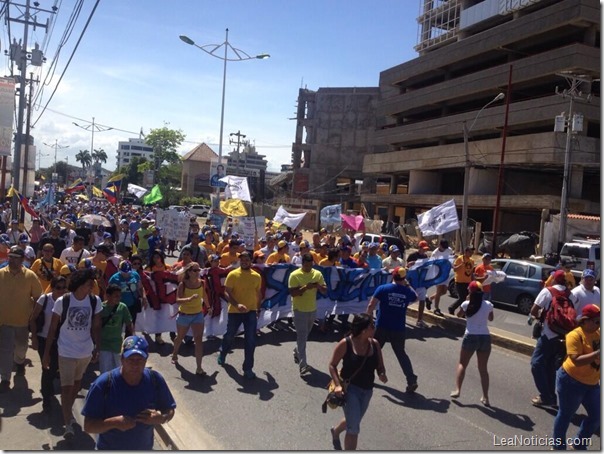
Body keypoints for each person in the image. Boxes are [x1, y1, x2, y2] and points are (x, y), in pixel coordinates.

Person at [81, 335, 176, 450]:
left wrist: (161, 418)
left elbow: (169, 409)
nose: (135, 365)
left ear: (146, 360)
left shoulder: (155, 380)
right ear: (122, 359)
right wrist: (114, 422)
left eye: (139, 360)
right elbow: (88, 426)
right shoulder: (104, 384)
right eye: (130, 359)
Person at [42, 268, 102, 439]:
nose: (92, 286)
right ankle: (68, 423)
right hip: (66, 350)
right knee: (66, 388)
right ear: (80, 284)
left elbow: (96, 326)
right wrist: (46, 354)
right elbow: (52, 328)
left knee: (76, 386)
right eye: (89, 283)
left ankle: (68, 413)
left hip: (85, 351)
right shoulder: (63, 301)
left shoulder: (95, 301)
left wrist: (98, 347)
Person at [328, 313, 387, 451]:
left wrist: (382, 374)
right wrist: (337, 385)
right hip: (350, 390)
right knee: (353, 428)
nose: (375, 327)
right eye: (372, 325)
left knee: (354, 421)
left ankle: (335, 431)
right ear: (363, 330)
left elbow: (380, 365)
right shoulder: (346, 343)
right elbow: (332, 365)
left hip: (367, 391)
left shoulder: (375, 344)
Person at [551, 304, 600, 450]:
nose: (599, 325)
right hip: (571, 381)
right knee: (566, 415)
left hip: (592, 383)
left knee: (597, 416)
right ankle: (558, 446)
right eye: (596, 321)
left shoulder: (598, 333)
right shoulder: (575, 335)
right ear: (585, 320)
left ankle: (579, 444)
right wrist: (598, 353)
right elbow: (576, 360)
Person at [529, 270, 578, 407]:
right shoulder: (571, 294)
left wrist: (543, 317)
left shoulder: (548, 291)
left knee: (536, 364)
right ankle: (551, 397)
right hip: (564, 335)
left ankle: (545, 396)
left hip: (548, 334)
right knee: (550, 366)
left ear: (554, 280)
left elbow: (533, 310)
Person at [366, 266, 419, 393]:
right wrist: (408, 285)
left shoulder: (383, 288)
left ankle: (366, 375)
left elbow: (370, 305)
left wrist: (367, 321)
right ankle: (411, 379)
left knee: (373, 351)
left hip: (382, 325)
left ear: (392, 276)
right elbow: (416, 297)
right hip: (398, 328)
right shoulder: (407, 291)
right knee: (401, 354)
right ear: (404, 278)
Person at [0, 246, 43, 392]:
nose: (12, 260)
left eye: (15, 258)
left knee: (21, 347)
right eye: (10, 257)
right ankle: (5, 379)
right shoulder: (0, 274)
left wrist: (35, 316)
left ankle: (19, 362)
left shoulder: (30, 276)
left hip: (23, 322)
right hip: (4, 321)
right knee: (5, 351)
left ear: (22, 259)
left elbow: (38, 297)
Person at [217, 252, 262, 379]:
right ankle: (223, 352)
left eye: (247, 259)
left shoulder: (257, 276)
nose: (244, 262)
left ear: (251, 261)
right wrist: (237, 305)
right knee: (230, 335)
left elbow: (258, 294)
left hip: (251, 312)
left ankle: (248, 368)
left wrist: (258, 309)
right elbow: (227, 293)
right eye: (242, 260)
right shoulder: (233, 274)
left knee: (250, 340)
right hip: (235, 312)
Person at [450, 281, 494, 406]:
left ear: (470, 291)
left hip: (470, 335)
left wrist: (467, 301)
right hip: (485, 336)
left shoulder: (466, 304)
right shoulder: (488, 304)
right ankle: (485, 397)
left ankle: (458, 389)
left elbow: (459, 315)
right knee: (483, 368)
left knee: (462, 363)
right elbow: (491, 318)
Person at [29, 275, 68, 412]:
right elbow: (33, 319)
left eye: (64, 288)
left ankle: (49, 386)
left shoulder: (67, 301)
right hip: (44, 339)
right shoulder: (44, 299)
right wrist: (34, 337)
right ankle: (46, 399)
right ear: (52, 287)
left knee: (54, 368)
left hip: (61, 340)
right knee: (47, 368)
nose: (62, 291)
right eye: (58, 288)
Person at [288, 253, 327, 375]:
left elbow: (325, 290)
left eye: (310, 265)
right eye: (306, 265)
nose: (308, 267)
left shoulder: (317, 274)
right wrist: (305, 287)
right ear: (302, 263)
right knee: (302, 336)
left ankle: (297, 351)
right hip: (299, 310)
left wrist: (319, 287)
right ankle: (303, 365)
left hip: (312, 309)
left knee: (305, 336)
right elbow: (293, 293)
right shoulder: (294, 275)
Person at [171, 263, 211, 375]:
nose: (198, 272)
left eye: (199, 270)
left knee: (199, 340)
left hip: (198, 314)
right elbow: (178, 300)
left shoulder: (202, 283)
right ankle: (175, 353)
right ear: (189, 272)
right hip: (184, 315)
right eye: (195, 270)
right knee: (180, 338)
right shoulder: (182, 284)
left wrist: (208, 307)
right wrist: (189, 298)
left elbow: (205, 295)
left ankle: (199, 368)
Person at [99, 284, 133, 373]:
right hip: (103, 345)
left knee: (119, 370)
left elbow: (129, 324)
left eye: (119, 296)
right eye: (116, 296)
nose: (118, 298)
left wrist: (132, 338)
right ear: (108, 296)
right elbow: (95, 326)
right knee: (105, 370)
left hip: (117, 345)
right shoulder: (100, 308)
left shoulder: (123, 307)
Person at [406, 240, 430, 328]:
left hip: (421, 282)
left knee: (422, 300)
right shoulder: (413, 256)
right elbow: (407, 266)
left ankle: (420, 320)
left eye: (426, 249)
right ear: (419, 248)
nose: (425, 251)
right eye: (423, 249)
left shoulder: (425, 257)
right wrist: (411, 264)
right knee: (407, 301)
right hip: (412, 282)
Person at [428, 239, 452, 316]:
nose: (445, 249)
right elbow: (431, 264)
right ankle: (436, 308)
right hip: (438, 273)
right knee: (439, 290)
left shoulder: (448, 250)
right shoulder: (435, 253)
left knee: (444, 291)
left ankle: (430, 299)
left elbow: (450, 256)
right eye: (443, 247)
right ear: (440, 246)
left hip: (446, 273)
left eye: (446, 247)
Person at [448, 246, 475, 315]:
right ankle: (452, 307)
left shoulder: (472, 261)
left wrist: (472, 281)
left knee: (466, 299)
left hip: (468, 282)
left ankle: (462, 312)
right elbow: (454, 269)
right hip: (459, 281)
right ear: (466, 252)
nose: (471, 253)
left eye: (472, 252)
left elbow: (471, 272)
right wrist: (461, 265)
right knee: (462, 298)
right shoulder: (460, 259)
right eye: (470, 252)